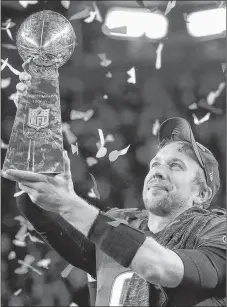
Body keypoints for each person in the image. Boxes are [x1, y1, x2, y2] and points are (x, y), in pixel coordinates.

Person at [2, 70, 226, 307]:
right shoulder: (118, 222)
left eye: (176, 166)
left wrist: (68, 202)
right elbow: (35, 202)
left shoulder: (215, 232)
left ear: (202, 194)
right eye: (155, 164)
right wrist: (35, 120)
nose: (158, 171)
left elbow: (161, 268)